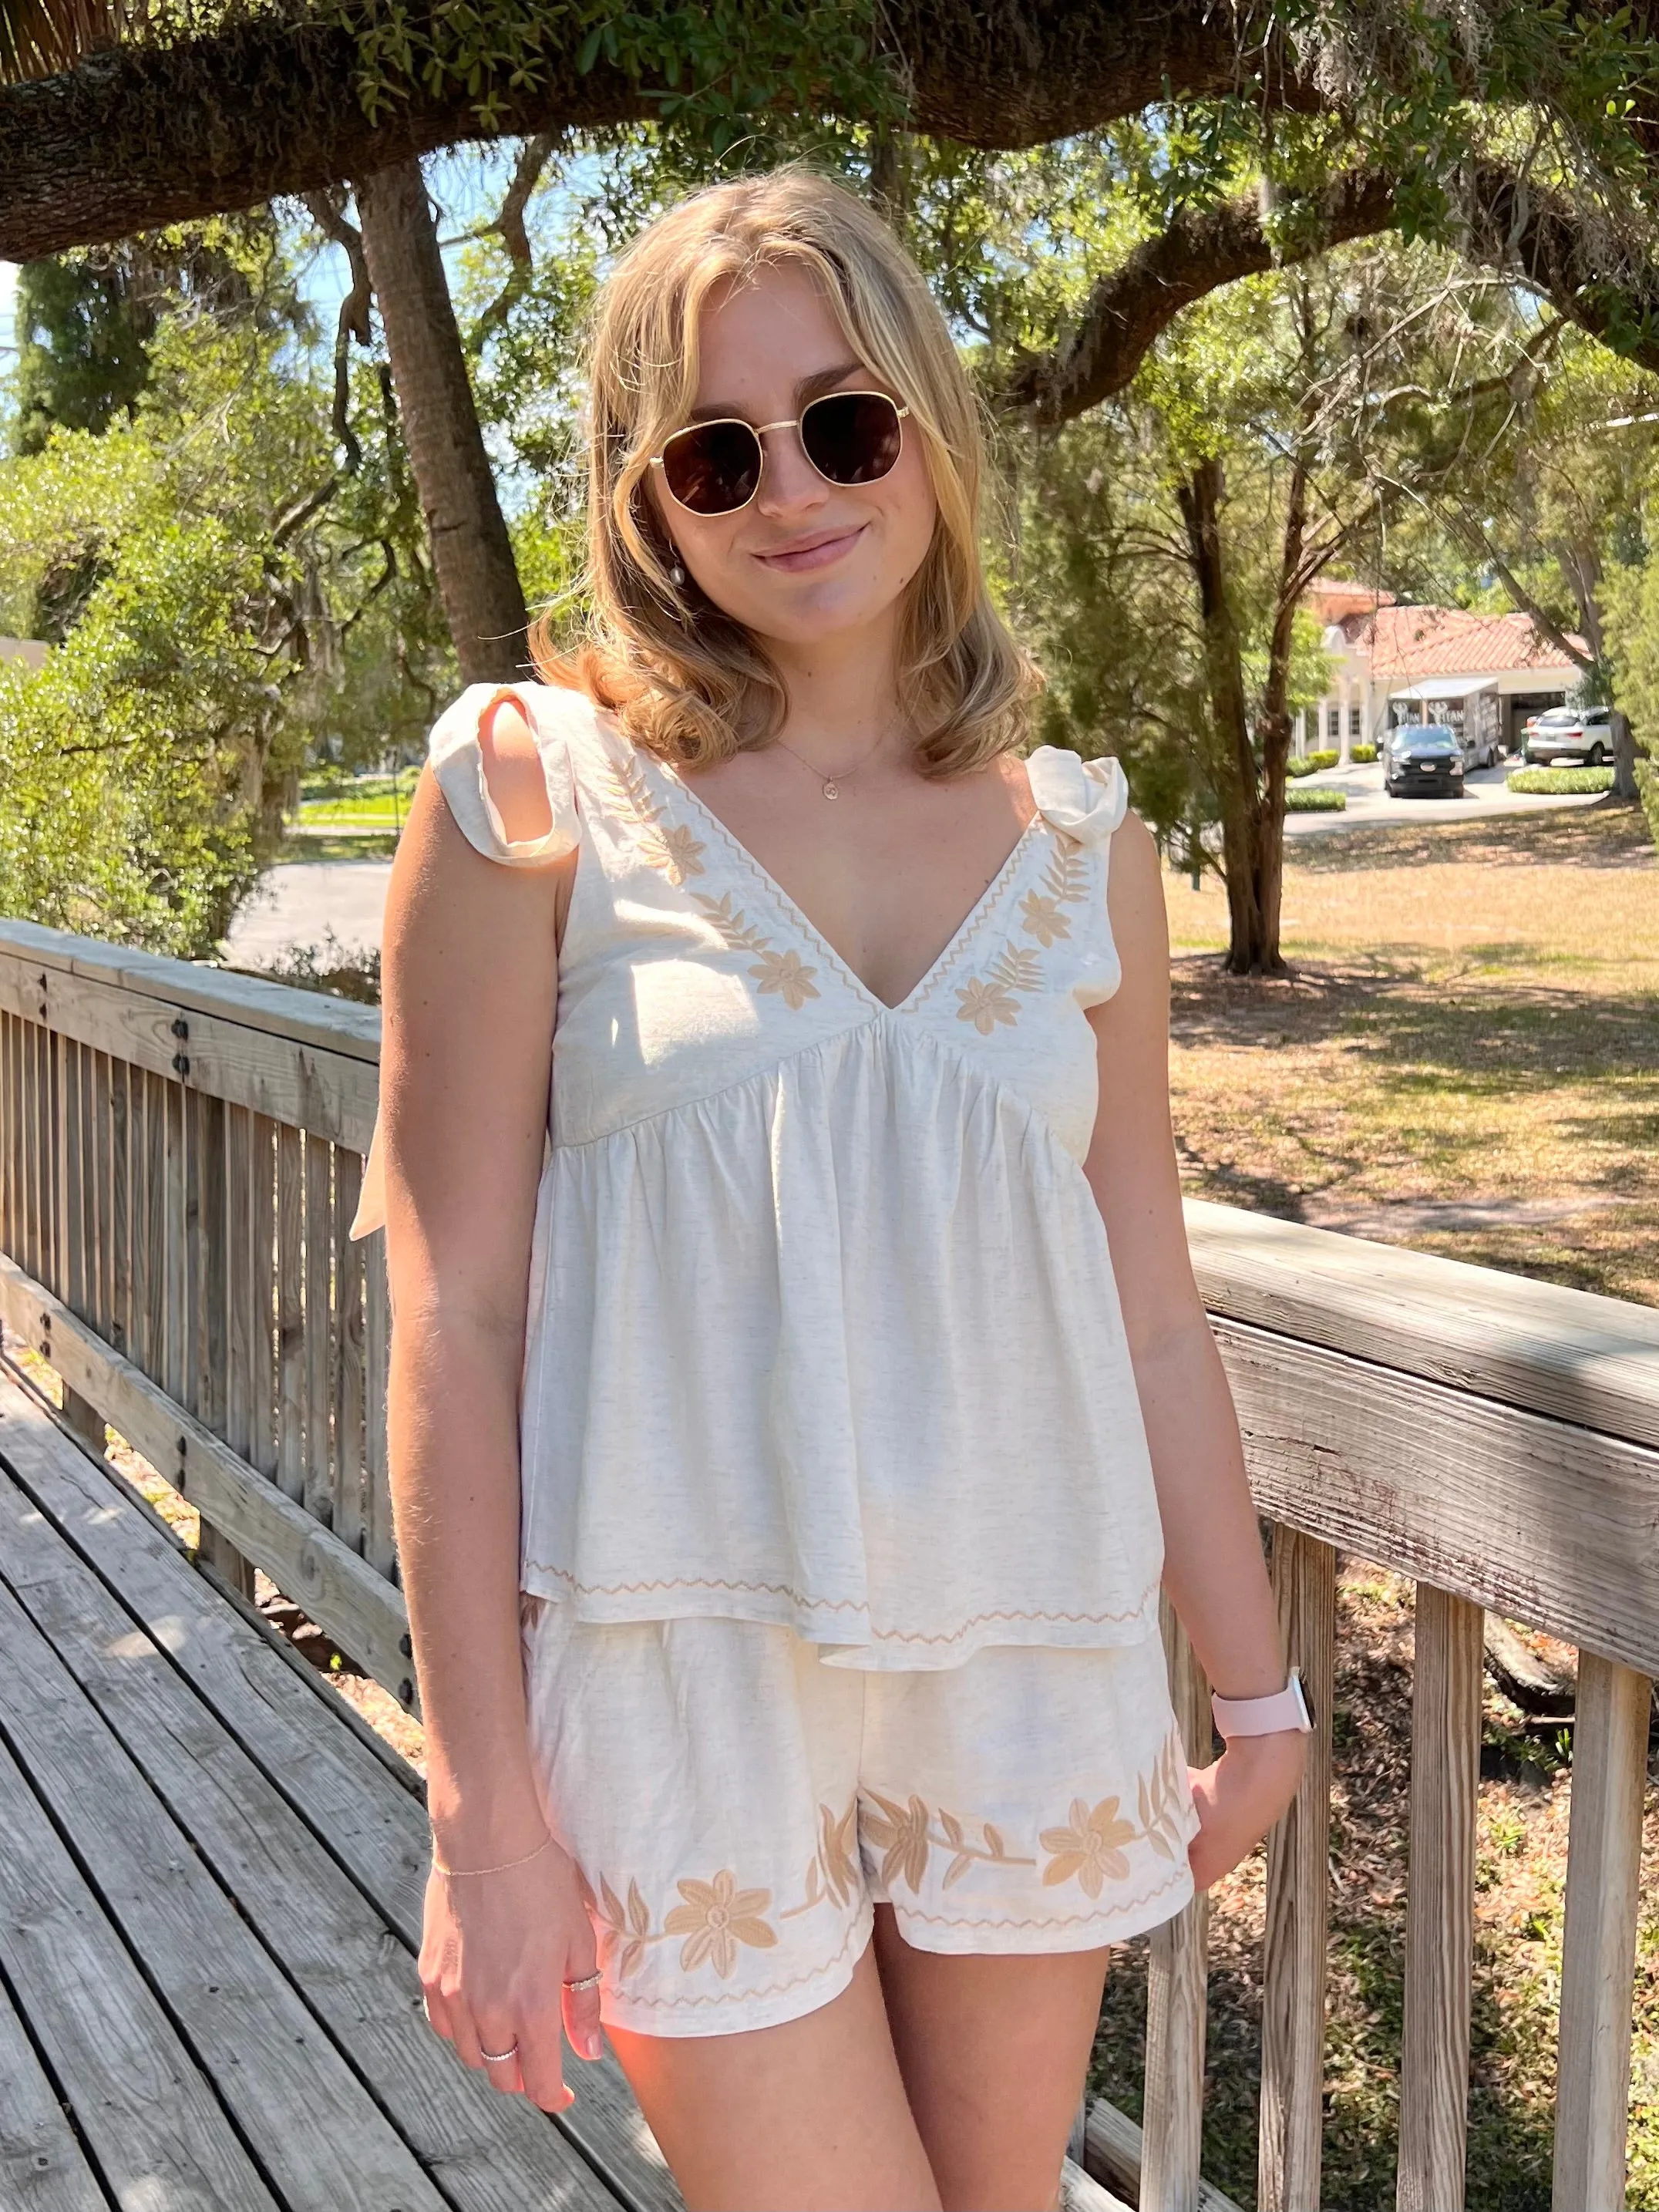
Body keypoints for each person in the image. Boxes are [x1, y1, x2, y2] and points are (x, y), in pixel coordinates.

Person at [351, 162, 1310, 2212]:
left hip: (1023, 1658)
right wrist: (481, 1804)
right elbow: (460, 1302)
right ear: (648, 497)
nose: (791, 484)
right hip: (687, 1674)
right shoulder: (532, 789)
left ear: (931, 434)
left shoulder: (1084, 846)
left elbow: (1151, 1298)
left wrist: (1259, 1692)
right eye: (716, 450)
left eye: (844, 422)